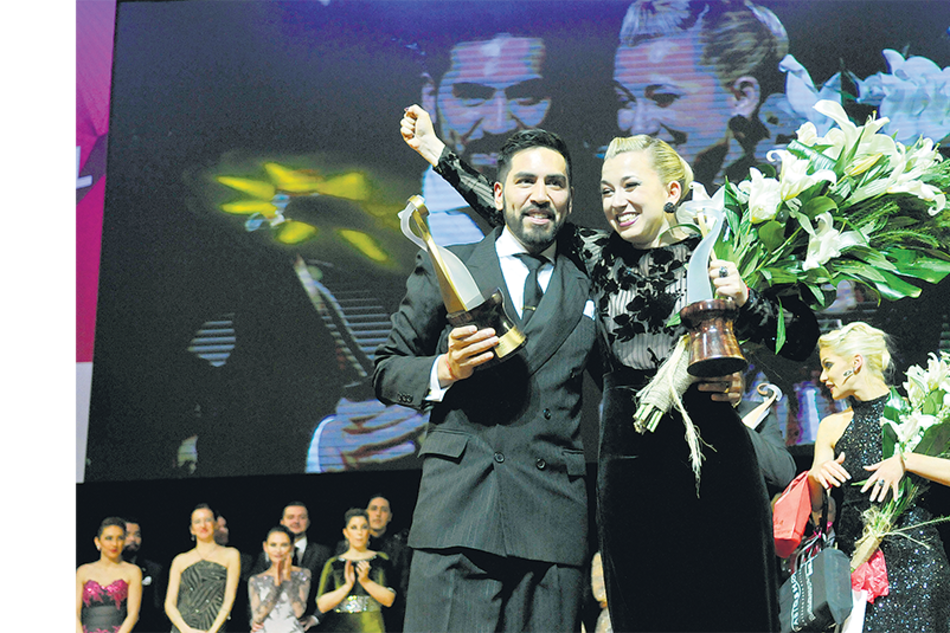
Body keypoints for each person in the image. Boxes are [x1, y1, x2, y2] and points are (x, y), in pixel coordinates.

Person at [399, 107, 820, 633]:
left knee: (732, 607)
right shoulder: (597, 254)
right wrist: (435, 151)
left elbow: (801, 338)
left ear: (671, 191)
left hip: (714, 456)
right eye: (606, 190)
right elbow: (506, 205)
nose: (616, 201)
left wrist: (746, 298)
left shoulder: (721, 252)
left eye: (630, 186)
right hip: (631, 466)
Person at [374, 127, 599, 633]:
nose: (540, 194)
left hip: (552, 522)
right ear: (498, 194)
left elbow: (625, 381)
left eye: (555, 183)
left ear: (569, 200)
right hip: (459, 514)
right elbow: (387, 369)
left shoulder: (590, 284)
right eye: (525, 181)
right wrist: (445, 369)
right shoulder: (448, 266)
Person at [808, 322, 950, 631]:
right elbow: (818, 507)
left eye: (828, 365)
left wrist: (905, 461)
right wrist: (815, 477)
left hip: (919, 569)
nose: (823, 377)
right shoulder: (831, 426)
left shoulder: (916, 411)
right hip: (859, 570)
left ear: (856, 362)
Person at [612, 0, 791, 187]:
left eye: (663, 98)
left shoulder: (786, 193)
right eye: (625, 100)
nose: (639, 128)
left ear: (741, 97)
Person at [416, 32, 551, 245]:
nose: (499, 125)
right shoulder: (377, 216)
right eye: (473, 95)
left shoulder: (596, 211)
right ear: (430, 98)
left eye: (525, 95)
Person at [248, 502, 330, 630]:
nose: (296, 521)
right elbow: (254, 599)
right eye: (291, 517)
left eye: (302, 517)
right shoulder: (261, 561)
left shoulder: (322, 553)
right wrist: (253, 621)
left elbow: (327, 588)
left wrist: (316, 617)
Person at [165, 504, 241, 633]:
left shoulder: (231, 555)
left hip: (214, 626)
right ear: (192, 529)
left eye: (208, 520)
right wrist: (186, 630)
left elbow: (229, 598)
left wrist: (213, 630)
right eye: (197, 521)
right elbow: (169, 603)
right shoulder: (180, 560)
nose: (203, 525)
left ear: (215, 524)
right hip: (183, 628)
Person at [316, 509, 395, 633]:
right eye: (354, 528)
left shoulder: (380, 560)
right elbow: (322, 605)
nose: (359, 533)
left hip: (372, 627)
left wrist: (365, 581)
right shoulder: (334, 564)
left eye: (364, 527)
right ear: (346, 532)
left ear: (369, 531)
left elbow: (389, 599)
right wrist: (347, 586)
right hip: (339, 627)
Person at [75, 517, 143, 633]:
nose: (114, 544)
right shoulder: (83, 571)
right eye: (109, 538)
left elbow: (133, 614)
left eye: (120, 538)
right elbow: (75, 613)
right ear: (98, 542)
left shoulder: (133, 571)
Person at [248, 526, 311, 633]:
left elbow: (299, 612)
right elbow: (257, 617)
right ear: (265, 547)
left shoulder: (303, 574)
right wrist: (276, 586)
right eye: (273, 545)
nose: (278, 550)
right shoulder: (256, 580)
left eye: (284, 545)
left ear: (292, 547)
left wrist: (287, 580)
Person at [122, 517, 167, 633]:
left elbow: (158, 608)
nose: (133, 539)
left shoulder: (153, 569)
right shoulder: (104, 570)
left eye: (137, 535)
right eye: (127, 534)